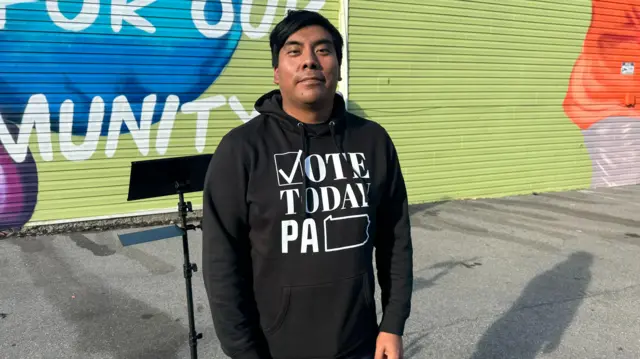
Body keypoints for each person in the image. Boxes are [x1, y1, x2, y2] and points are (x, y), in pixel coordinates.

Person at [201, 9, 413, 359]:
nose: (310, 62)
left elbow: (396, 240)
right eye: (294, 51)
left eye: (323, 50)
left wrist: (392, 324)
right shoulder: (241, 150)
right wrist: (243, 351)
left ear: (339, 67)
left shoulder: (373, 141)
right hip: (274, 348)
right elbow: (222, 264)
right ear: (276, 72)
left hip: (361, 344)